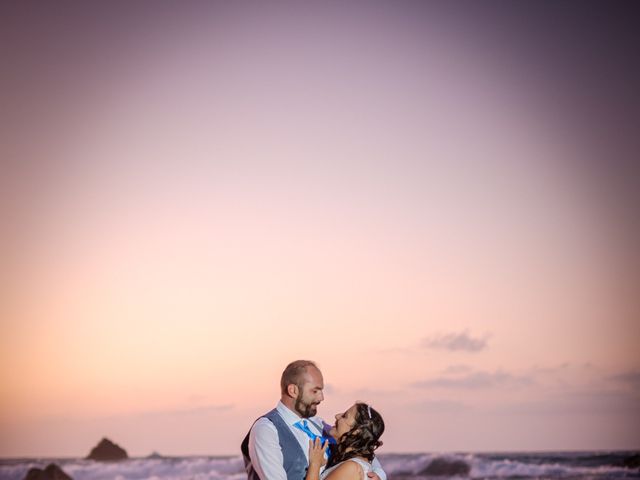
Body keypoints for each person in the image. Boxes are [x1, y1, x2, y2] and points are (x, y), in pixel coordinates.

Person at [241, 360, 386, 480]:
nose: (321, 398)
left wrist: (379, 475)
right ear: (293, 391)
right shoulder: (267, 430)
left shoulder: (317, 424)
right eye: (315, 391)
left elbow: (362, 447)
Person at [305, 403, 385, 480]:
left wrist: (315, 464)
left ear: (356, 431)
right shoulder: (356, 464)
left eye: (344, 416)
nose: (337, 416)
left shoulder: (352, 468)